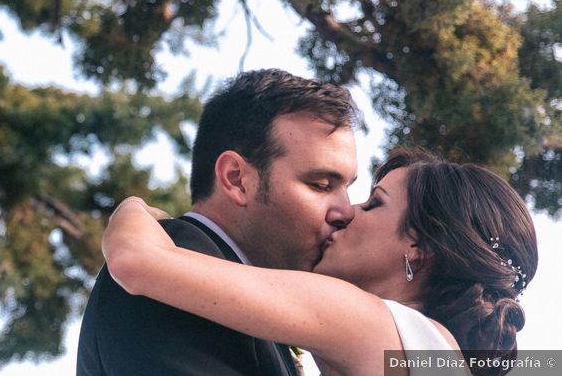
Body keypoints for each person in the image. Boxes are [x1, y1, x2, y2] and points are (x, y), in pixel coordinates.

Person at [102, 148, 538, 376]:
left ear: (418, 250)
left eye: (374, 204)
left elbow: (135, 260)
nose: (348, 212)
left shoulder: (377, 327)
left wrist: (137, 209)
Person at [77, 69, 361, 375]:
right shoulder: (172, 272)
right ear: (236, 179)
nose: (346, 211)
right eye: (320, 184)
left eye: (348, 188)